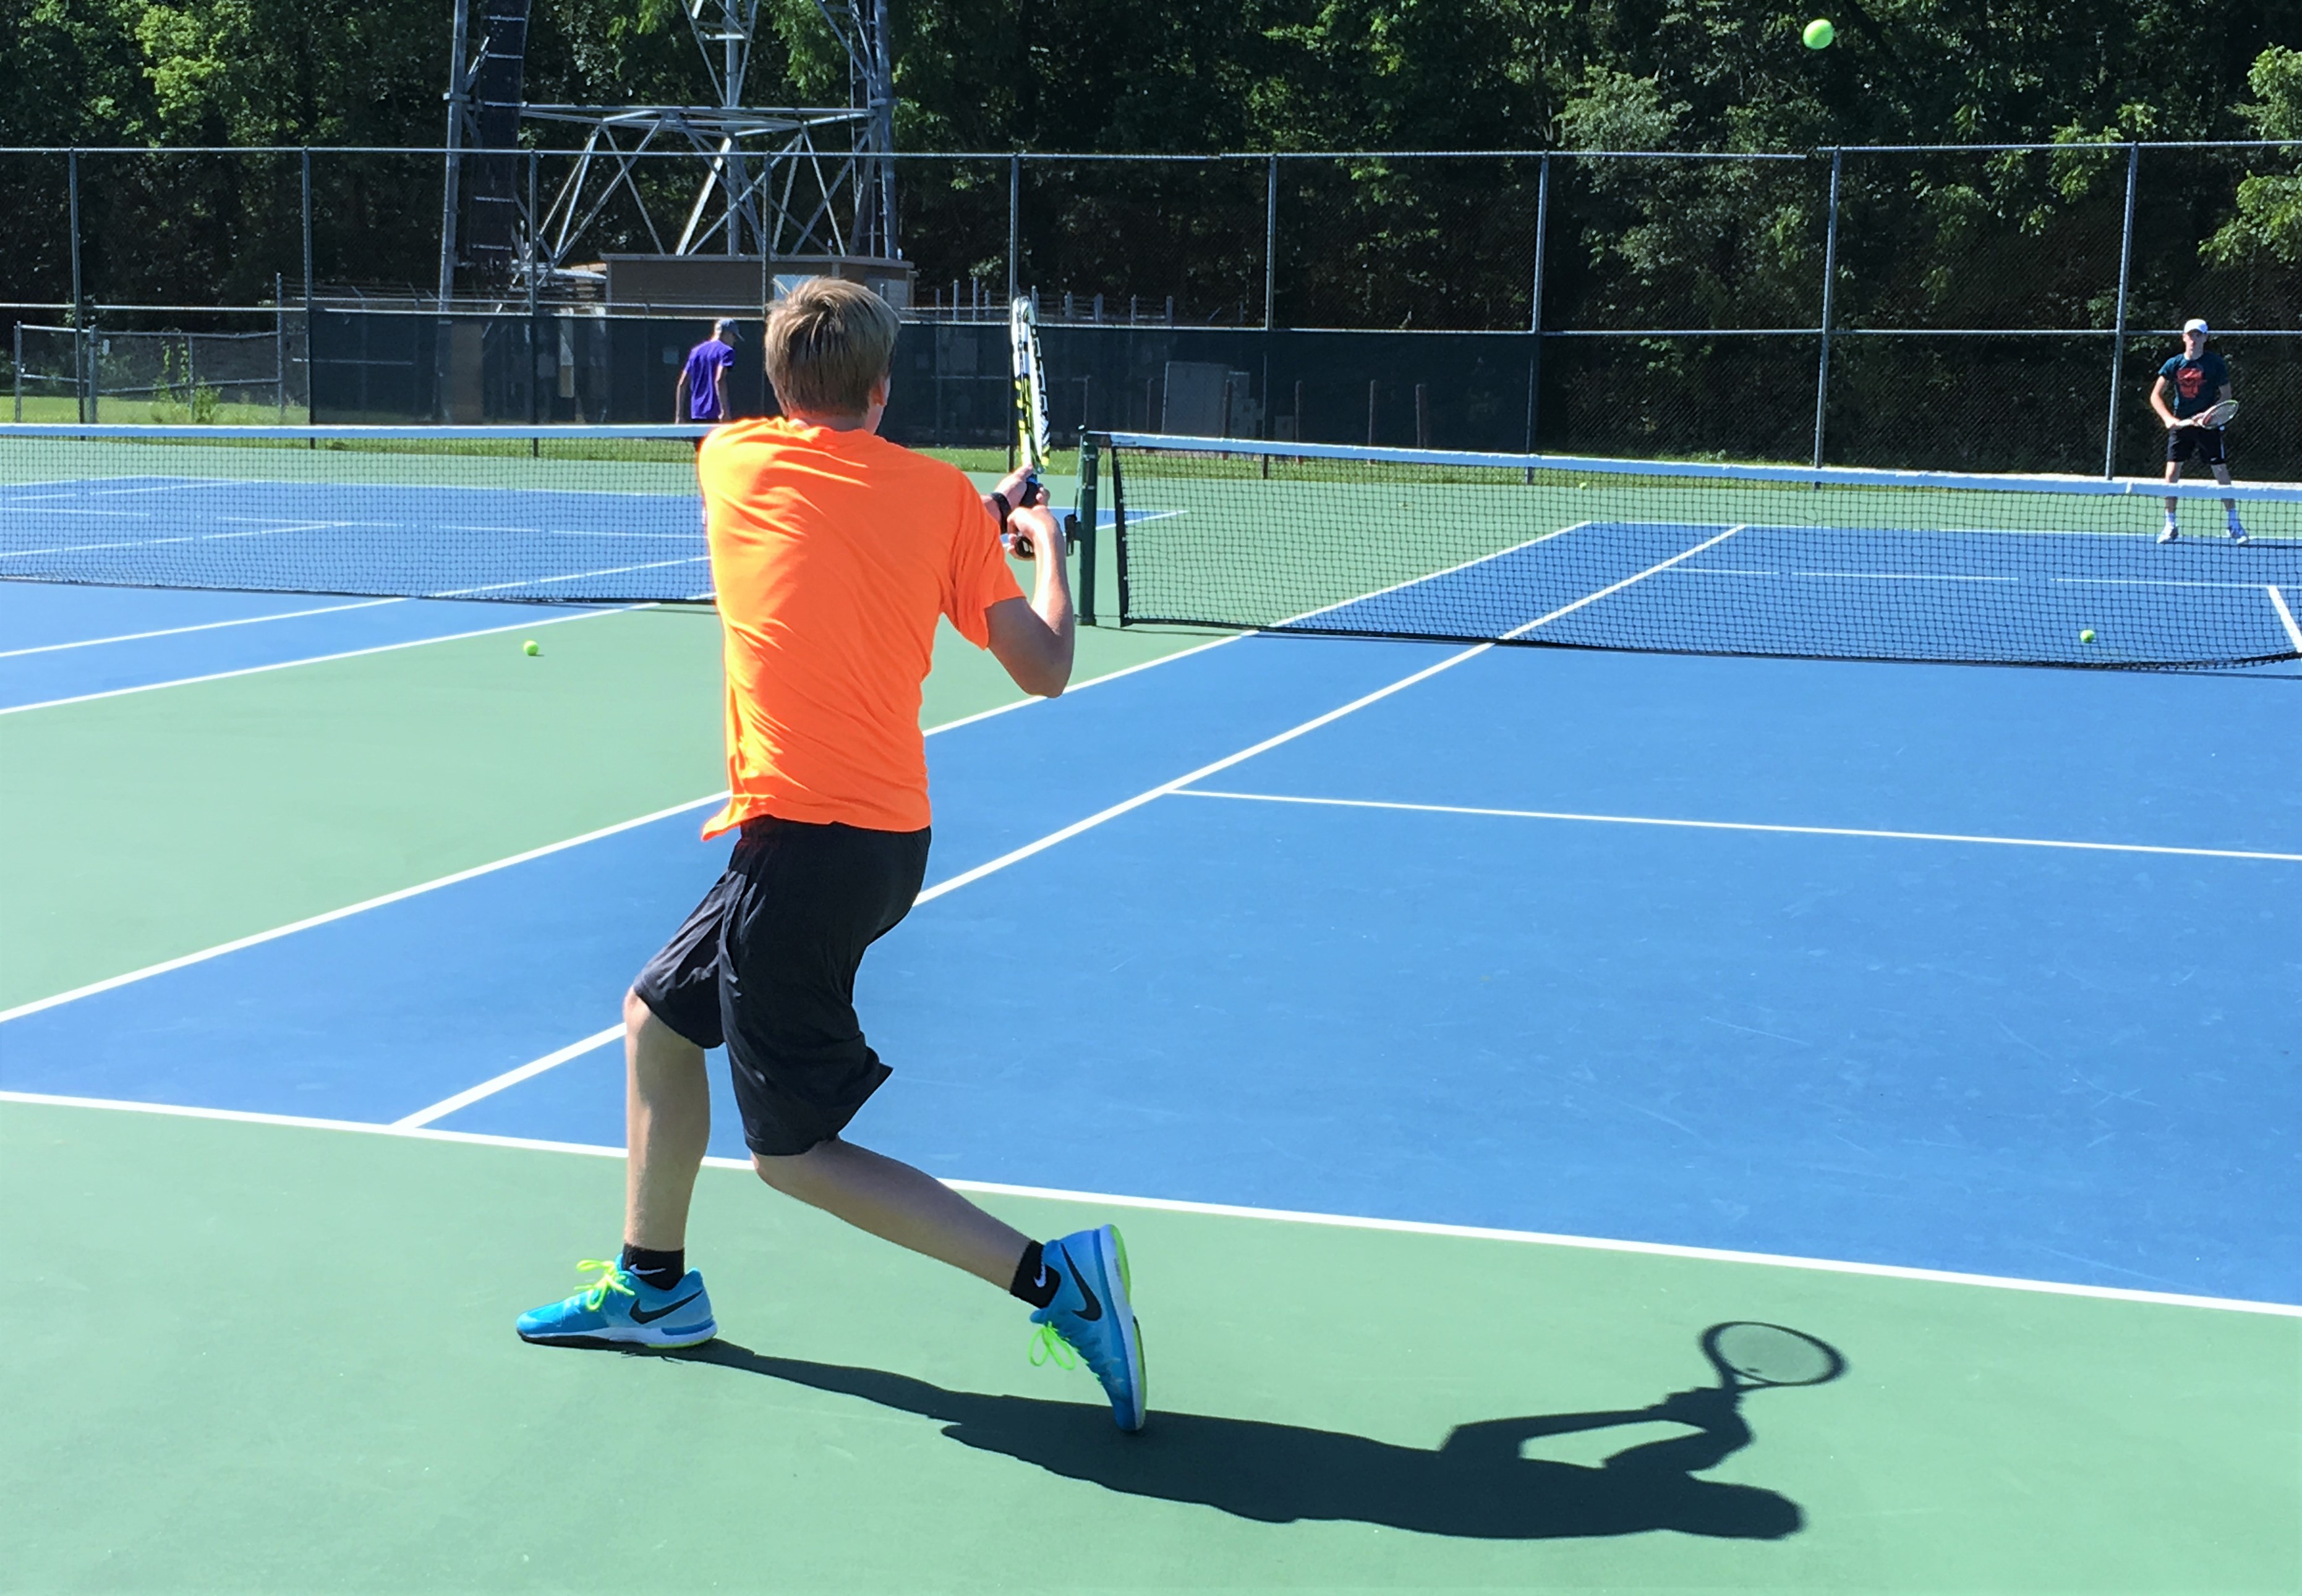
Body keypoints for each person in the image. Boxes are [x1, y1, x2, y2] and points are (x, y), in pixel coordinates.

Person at [516, 278, 1148, 1434]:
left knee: (795, 1155)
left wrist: (975, 514)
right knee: (656, 1019)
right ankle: (654, 1285)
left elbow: (838, 505)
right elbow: (1046, 666)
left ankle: (1058, 1280)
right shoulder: (941, 503)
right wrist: (1040, 544)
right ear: (883, 387)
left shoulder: (730, 462)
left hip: (807, 851)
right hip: (867, 842)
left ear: (772, 383)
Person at [2151, 317, 2246, 545]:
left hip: (2208, 426)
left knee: (2221, 472)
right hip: (2182, 426)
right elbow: (2155, 395)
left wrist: (2208, 415)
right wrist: (2168, 419)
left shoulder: (2215, 363)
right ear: (2184, 337)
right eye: (2191, 334)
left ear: (2205, 338)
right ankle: (2170, 525)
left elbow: (2226, 396)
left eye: (2199, 335)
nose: (2194, 339)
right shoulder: (2174, 364)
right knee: (2171, 475)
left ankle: (2234, 524)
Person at [674, 318, 738, 424]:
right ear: (727, 334)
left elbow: (682, 384)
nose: (734, 341)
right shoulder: (727, 351)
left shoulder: (696, 351)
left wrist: (679, 416)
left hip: (697, 414)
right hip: (717, 415)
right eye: (734, 336)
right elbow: (719, 380)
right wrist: (725, 411)